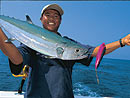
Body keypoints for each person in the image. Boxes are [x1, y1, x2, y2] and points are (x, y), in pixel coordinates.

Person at [0, 3, 130, 98]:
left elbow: (95, 51)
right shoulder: (30, 44)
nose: (52, 18)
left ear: (60, 20)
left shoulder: (70, 44)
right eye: (47, 15)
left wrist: (122, 42)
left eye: (56, 16)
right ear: (41, 19)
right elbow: (16, 58)